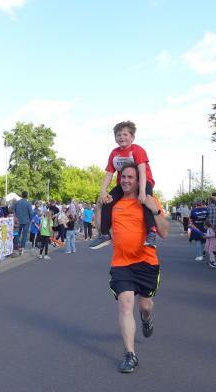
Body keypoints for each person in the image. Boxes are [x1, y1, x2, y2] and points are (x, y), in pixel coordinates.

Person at [107, 164, 170, 373]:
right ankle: (130, 355)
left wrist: (156, 210)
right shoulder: (114, 203)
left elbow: (164, 233)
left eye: (130, 177)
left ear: (139, 180)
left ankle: (146, 318)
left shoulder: (149, 201)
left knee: (145, 305)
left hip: (146, 263)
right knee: (125, 304)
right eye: (123, 177)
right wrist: (99, 207)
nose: (125, 180)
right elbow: (101, 228)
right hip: (121, 264)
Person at [91, 120, 157, 249]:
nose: (122, 137)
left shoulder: (137, 150)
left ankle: (151, 233)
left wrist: (142, 191)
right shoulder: (114, 153)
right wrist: (103, 191)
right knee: (107, 201)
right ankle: (104, 234)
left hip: (143, 181)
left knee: (146, 202)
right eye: (119, 135)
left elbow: (142, 171)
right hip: (125, 183)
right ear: (115, 138)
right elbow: (109, 173)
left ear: (132, 137)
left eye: (125, 134)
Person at [205, 196, 216, 267]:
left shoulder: (207, 208)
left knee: (209, 241)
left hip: (209, 227)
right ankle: (214, 252)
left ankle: (211, 256)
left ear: (209, 201)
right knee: (214, 241)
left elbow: (205, 218)